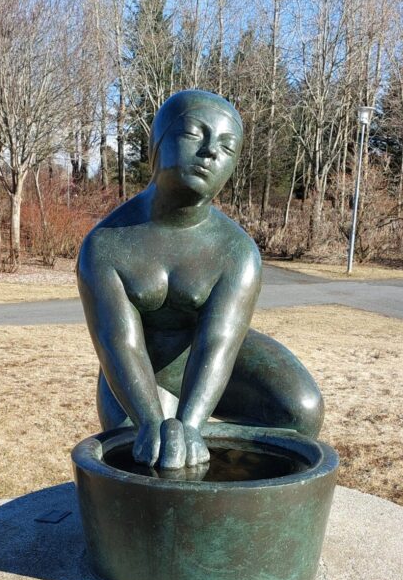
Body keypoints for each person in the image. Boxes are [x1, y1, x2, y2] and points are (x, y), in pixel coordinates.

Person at [77, 89, 324, 469]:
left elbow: (218, 344)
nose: (210, 152)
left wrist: (192, 424)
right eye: (195, 134)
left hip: (213, 361)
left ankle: (229, 477)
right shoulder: (105, 245)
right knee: (144, 447)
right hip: (142, 366)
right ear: (157, 145)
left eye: (227, 147)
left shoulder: (238, 253)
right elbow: (120, 344)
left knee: (302, 412)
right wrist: (150, 420)